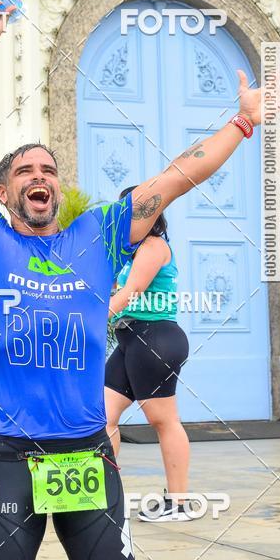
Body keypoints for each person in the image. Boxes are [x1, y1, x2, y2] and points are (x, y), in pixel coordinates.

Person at [0, 0, 280, 560]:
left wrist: (243, 126)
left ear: (58, 187)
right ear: (2, 193)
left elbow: (177, 177)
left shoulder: (100, 235)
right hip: (9, 458)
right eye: (25, 170)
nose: (40, 176)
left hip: (87, 455)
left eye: (49, 169)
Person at [105, 189, 191, 522]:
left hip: (156, 339)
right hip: (131, 339)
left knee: (163, 420)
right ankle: (106, 497)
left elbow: (130, 293)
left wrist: (88, 324)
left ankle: (180, 503)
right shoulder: (129, 254)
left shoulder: (155, 247)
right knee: (104, 416)